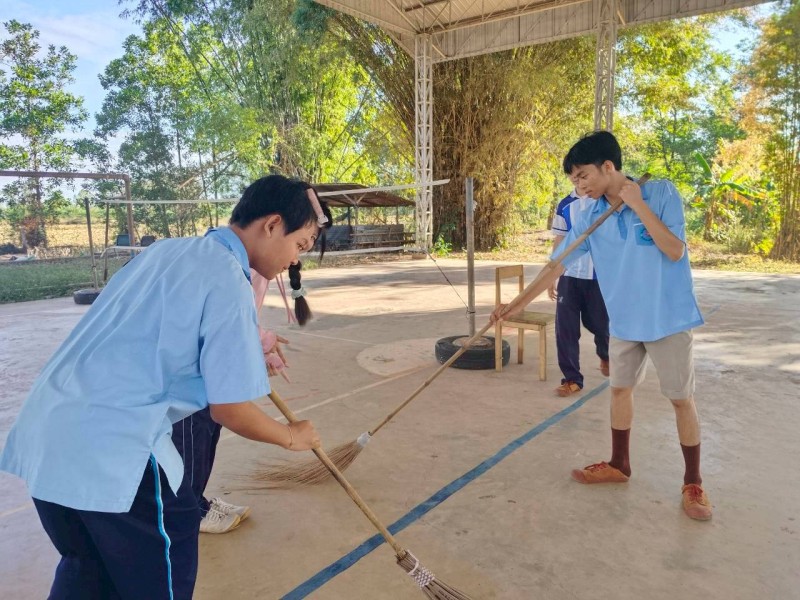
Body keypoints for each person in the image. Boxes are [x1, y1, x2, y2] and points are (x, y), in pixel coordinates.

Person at [0, 175, 333, 598]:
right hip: (117, 458)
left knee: (85, 574)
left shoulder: (165, 251)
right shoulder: (228, 279)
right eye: (299, 244)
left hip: (48, 440)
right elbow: (230, 410)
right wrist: (291, 436)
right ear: (271, 225)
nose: (295, 259)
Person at [493, 131, 711, 521]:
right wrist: (513, 307)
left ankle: (693, 482)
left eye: (583, 176)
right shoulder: (589, 216)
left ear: (607, 166)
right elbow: (556, 266)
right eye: (574, 179)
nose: (579, 186)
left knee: (681, 398)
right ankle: (619, 464)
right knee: (619, 390)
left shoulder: (660, 193)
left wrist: (637, 205)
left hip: (667, 316)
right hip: (624, 319)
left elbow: (675, 250)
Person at [176, 261, 315, 534]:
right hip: (192, 375)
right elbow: (226, 317)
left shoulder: (257, 265)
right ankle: (190, 513)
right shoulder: (234, 268)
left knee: (206, 437)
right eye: (299, 244)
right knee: (191, 443)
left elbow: (243, 320)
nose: (295, 257)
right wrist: (260, 341)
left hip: (211, 368)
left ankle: (197, 501)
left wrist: (258, 345)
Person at [548, 188, 610, 396]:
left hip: (599, 276)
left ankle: (605, 354)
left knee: (601, 324)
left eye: (583, 175)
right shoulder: (565, 205)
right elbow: (559, 239)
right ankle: (572, 379)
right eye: (575, 176)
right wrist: (551, 275)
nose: (580, 181)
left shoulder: (606, 201)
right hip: (569, 275)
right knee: (565, 329)